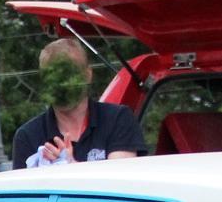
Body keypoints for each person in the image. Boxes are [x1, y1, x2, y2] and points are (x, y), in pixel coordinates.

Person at [12, 39, 146, 170]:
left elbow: (119, 180)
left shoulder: (118, 119)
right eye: (51, 77)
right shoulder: (28, 136)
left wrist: (72, 167)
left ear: (88, 75)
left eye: (69, 75)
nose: (62, 85)